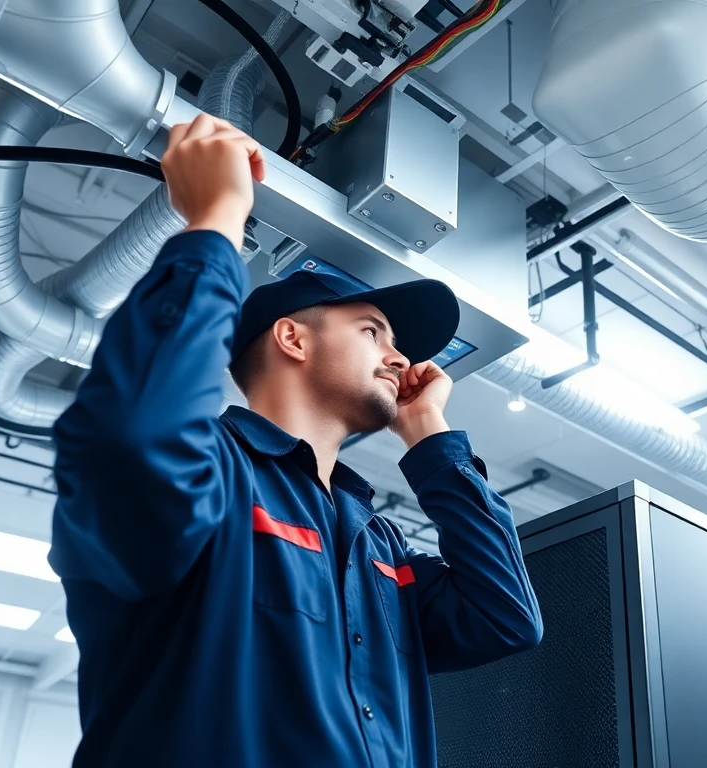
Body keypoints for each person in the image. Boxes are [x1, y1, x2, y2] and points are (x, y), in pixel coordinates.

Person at [48, 114, 543, 767]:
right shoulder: (217, 473)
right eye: (374, 331)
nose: (400, 359)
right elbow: (136, 432)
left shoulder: (374, 538)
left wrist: (430, 437)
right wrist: (217, 220)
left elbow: (505, 617)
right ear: (292, 338)